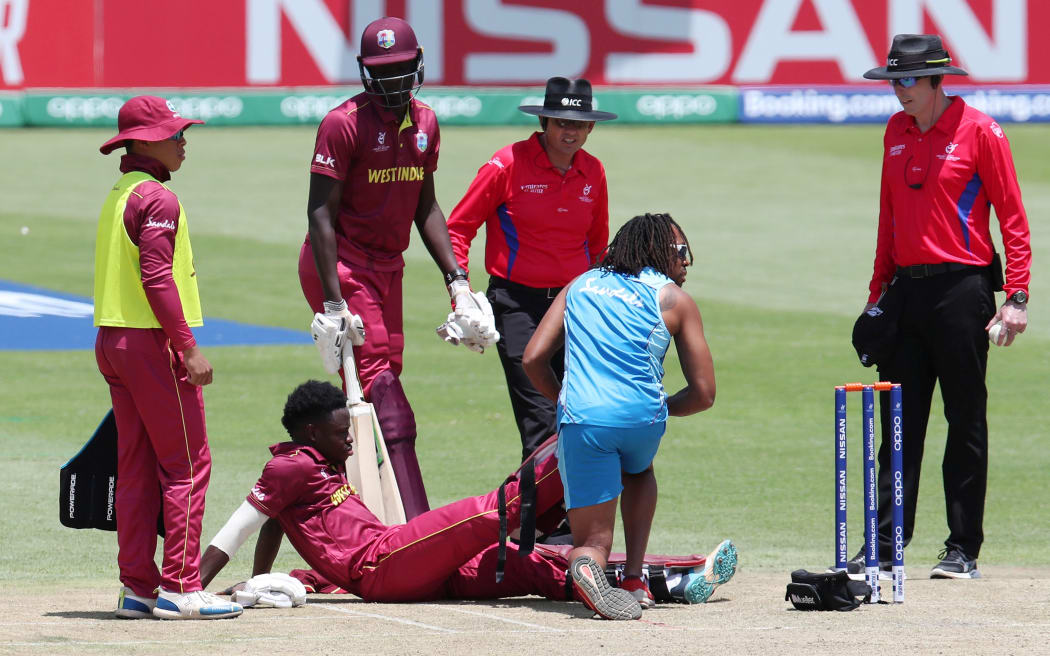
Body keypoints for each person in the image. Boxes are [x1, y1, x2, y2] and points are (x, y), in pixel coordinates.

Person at [300, 17, 492, 521]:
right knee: (383, 391)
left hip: (388, 267)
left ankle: (356, 513)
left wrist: (458, 283)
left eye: (403, 69)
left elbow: (425, 207)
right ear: (365, 72)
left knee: (371, 391)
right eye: (383, 71)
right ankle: (413, 523)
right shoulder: (343, 123)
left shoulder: (426, 123)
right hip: (340, 263)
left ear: (419, 65)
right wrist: (334, 300)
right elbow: (319, 214)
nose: (393, 81)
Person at [859, 34, 1032, 579]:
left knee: (965, 419)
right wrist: (875, 298)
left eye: (908, 80)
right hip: (906, 293)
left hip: (964, 291)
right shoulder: (895, 131)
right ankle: (886, 545)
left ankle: (962, 549)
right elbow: (888, 218)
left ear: (938, 80)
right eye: (893, 81)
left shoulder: (981, 130)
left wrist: (1017, 296)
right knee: (899, 424)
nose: (899, 92)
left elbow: (1013, 217)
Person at [523, 212, 733, 619]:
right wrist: (659, 407)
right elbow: (704, 393)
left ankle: (587, 564)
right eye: (682, 252)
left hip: (584, 419)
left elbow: (532, 358)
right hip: (642, 422)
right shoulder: (673, 299)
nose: (687, 262)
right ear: (659, 252)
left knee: (593, 540)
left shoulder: (580, 284)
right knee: (639, 471)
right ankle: (634, 580)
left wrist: (564, 400)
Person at [198, 380, 572, 604]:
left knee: (521, 563)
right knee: (491, 510)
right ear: (311, 432)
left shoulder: (317, 462)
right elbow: (239, 529)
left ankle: (612, 580)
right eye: (339, 432)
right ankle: (582, 437)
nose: (349, 439)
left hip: (401, 560)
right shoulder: (289, 466)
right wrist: (192, 587)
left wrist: (261, 579)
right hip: (383, 564)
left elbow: (274, 523)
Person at [93, 96, 242, 620]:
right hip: (152, 346)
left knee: (134, 468)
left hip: (113, 342)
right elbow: (156, 278)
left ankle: (136, 589)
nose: (183, 141)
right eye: (174, 133)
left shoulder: (120, 191)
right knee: (187, 467)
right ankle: (180, 586)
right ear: (144, 141)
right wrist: (188, 346)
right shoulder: (158, 200)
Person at [446, 77, 616, 462]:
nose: (569, 131)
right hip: (517, 306)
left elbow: (598, 247)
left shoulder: (594, 172)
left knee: (579, 413)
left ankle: (573, 519)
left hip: (576, 307)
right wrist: (460, 292)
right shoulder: (505, 164)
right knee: (540, 421)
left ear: (590, 127)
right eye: (560, 122)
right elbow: (458, 228)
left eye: (578, 124)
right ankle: (537, 521)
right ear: (544, 123)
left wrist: (608, 304)